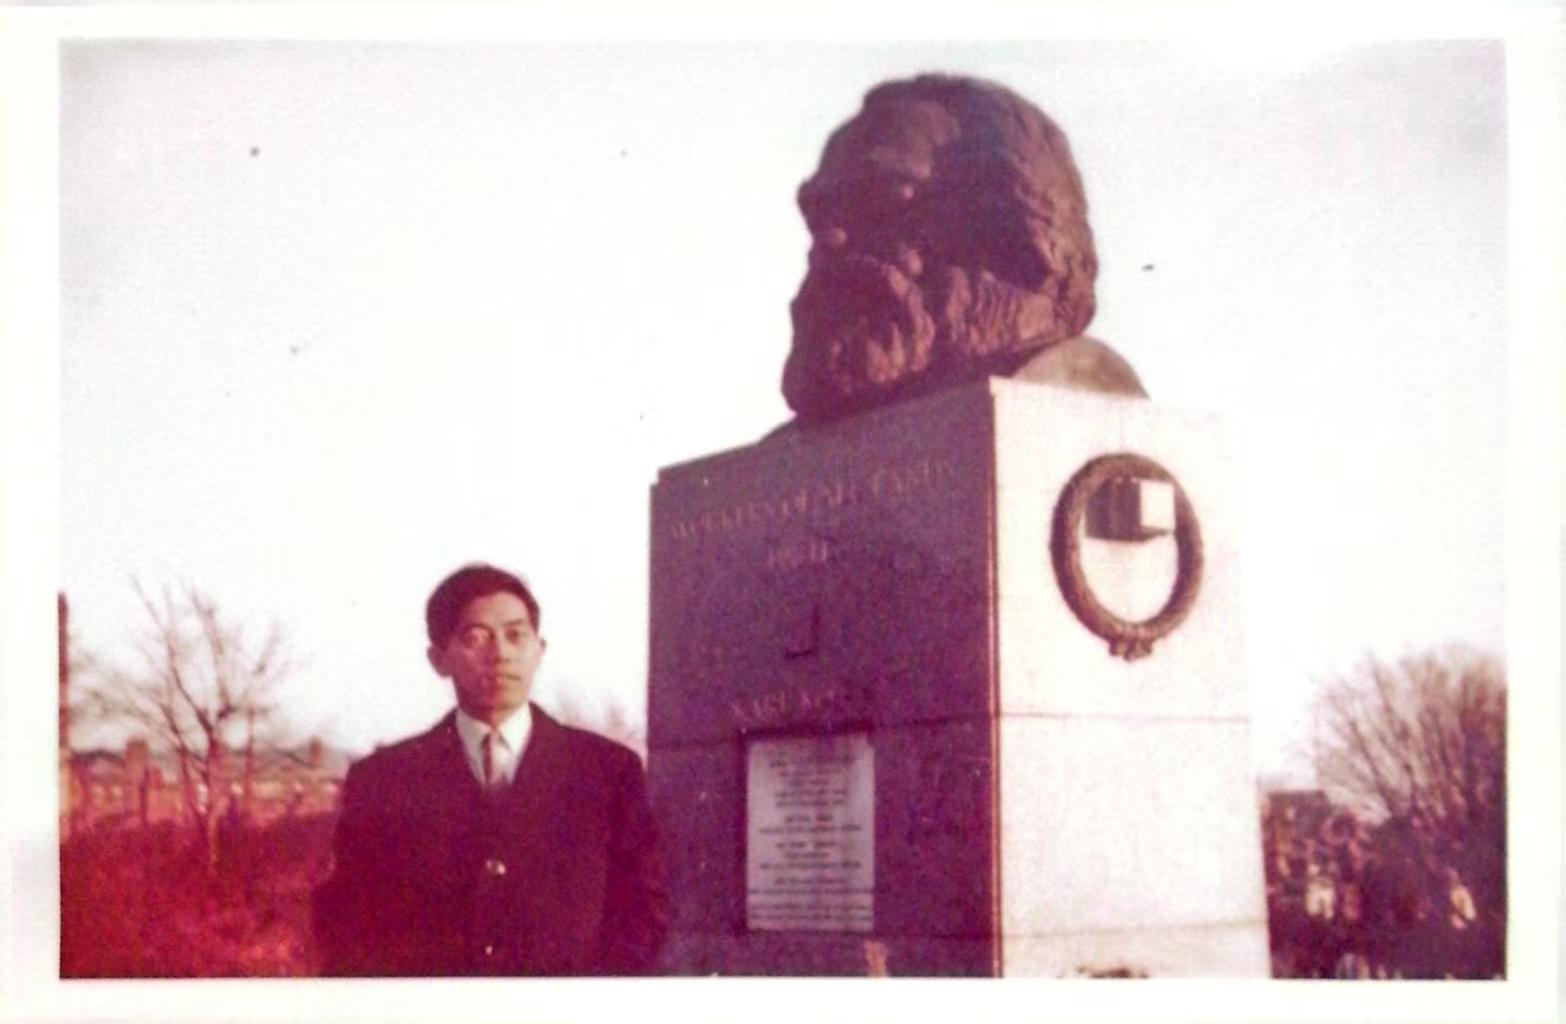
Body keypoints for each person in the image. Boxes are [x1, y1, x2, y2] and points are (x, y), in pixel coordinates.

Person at [312, 563, 668, 975]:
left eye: (516, 636)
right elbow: (349, 926)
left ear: (539, 650)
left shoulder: (607, 772)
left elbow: (644, 913)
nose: (500, 654)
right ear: (439, 659)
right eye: (476, 637)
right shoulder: (383, 780)